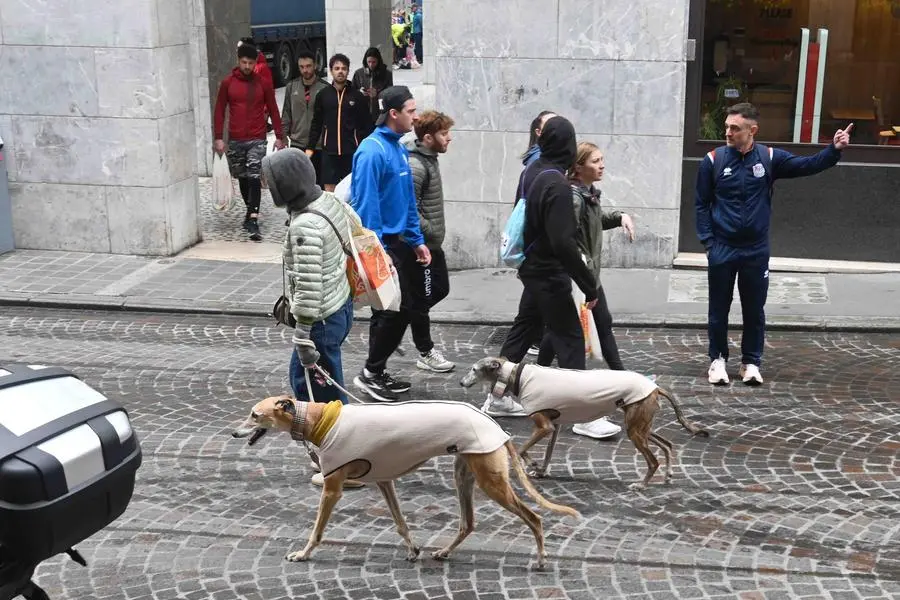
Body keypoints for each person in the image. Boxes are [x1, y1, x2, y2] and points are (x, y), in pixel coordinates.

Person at [696, 102, 853, 386]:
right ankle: (717, 360)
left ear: (752, 130)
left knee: (754, 309)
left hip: (755, 250)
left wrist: (834, 150)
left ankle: (751, 363)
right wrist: (709, 243)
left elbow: (807, 165)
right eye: (727, 126)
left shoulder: (769, 157)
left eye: (735, 128)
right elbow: (701, 205)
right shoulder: (713, 160)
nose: (728, 132)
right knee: (718, 308)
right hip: (722, 248)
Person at [262, 148, 364, 490]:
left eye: (271, 180)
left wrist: (303, 335)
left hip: (320, 321)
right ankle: (342, 454)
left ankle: (342, 463)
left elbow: (308, 285)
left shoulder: (305, 226)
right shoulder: (330, 202)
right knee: (323, 382)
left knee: (319, 393)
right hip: (340, 308)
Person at [484, 116, 598, 417]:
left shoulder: (533, 170)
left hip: (530, 266)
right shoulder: (557, 185)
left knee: (525, 329)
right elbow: (563, 242)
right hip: (548, 271)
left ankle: (498, 395)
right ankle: (583, 415)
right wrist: (589, 284)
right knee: (570, 338)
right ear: (569, 146)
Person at [536, 142, 636, 439]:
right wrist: (581, 277)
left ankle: (535, 379)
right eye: (596, 161)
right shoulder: (575, 198)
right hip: (579, 277)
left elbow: (593, 225)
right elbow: (566, 239)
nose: (602, 165)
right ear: (578, 167)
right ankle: (622, 386)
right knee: (578, 331)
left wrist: (619, 217)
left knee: (563, 331)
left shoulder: (588, 195)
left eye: (603, 159)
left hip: (586, 276)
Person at [350, 86, 432, 402]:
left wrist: (417, 241)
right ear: (394, 114)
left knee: (399, 310)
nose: (417, 116)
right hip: (382, 245)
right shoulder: (372, 152)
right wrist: (377, 250)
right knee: (395, 311)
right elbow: (366, 206)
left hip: (400, 243)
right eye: (411, 110)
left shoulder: (398, 148)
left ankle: (376, 370)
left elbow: (407, 201)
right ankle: (370, 373)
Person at [214, 41, 285, 241]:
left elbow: (273, 108)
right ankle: (249, 211)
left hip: (257, 138)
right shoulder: (228, 83)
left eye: (251, 63)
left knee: (254, 175)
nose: (247, 66)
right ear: (239, 61)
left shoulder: (263, 83)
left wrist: (279, 135)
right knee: (243, 177)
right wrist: (219, 137)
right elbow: (219, 110)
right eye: (244, 62)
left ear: (256, 63)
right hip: (236, 138)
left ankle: (253, 217)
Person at [404, 110, 455, 373]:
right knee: (422, 299)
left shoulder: (430, 158)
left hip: (431, 243)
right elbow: (409, 209)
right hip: (420, 245)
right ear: (427, 138)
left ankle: (402, 317)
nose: (449, 138)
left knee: (439, 289)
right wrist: (428, 230)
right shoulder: (416, 165)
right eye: (443, 133)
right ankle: (425, 351)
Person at [306, 54, 373, 192]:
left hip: (352, 152)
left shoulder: (358, 97)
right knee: (330, 191)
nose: (340, 71)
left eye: (343, 68)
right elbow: (316, 123)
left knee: (352, 190)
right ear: (331, 71)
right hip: (329, 152)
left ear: (348, 71)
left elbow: (366, 125)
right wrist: (310, 147)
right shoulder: (323, 95)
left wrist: (366, 148)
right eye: (337, 68)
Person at [282, 50, 328, 186]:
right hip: (297, 142)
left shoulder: (324, 88)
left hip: (319, 145)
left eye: (308, 66)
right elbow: (286, 113)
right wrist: (283, 136)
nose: (305, 70)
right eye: (302, 67)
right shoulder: (291, 87)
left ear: (315, 66)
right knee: (298, 183)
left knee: (318, 183)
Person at [352, 47, 394, 124]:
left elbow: (390, 94)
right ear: (365, 61)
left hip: (380, 114)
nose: (371, 65)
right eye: (369, 62)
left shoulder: (386, 74)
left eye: (374, 62)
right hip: (362, 114)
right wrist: (359, 92)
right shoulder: (359, 73)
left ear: (378, 61)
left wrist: (378, 94)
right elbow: (351, 92)